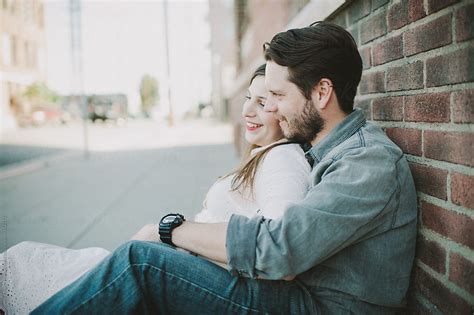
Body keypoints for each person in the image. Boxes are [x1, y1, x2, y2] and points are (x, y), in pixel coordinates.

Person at [33, 21, 417, 314]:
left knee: (141, 260)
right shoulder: (329, 150)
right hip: (294, 296)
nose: (274, 109)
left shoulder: (367, 162)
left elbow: (279, 249)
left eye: (280, 96)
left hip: (314, 307)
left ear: (321, 92)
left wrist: (172, 230)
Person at [0, 65, 311, 314]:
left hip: (215, 279)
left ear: (284, 109)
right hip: (192, 263)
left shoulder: (283, 160)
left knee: (123, 261)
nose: (248, 111)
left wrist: (177, 241)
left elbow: (277, 254)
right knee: (27, 261)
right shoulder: (267, 155)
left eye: (263, 102)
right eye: (248, 98)